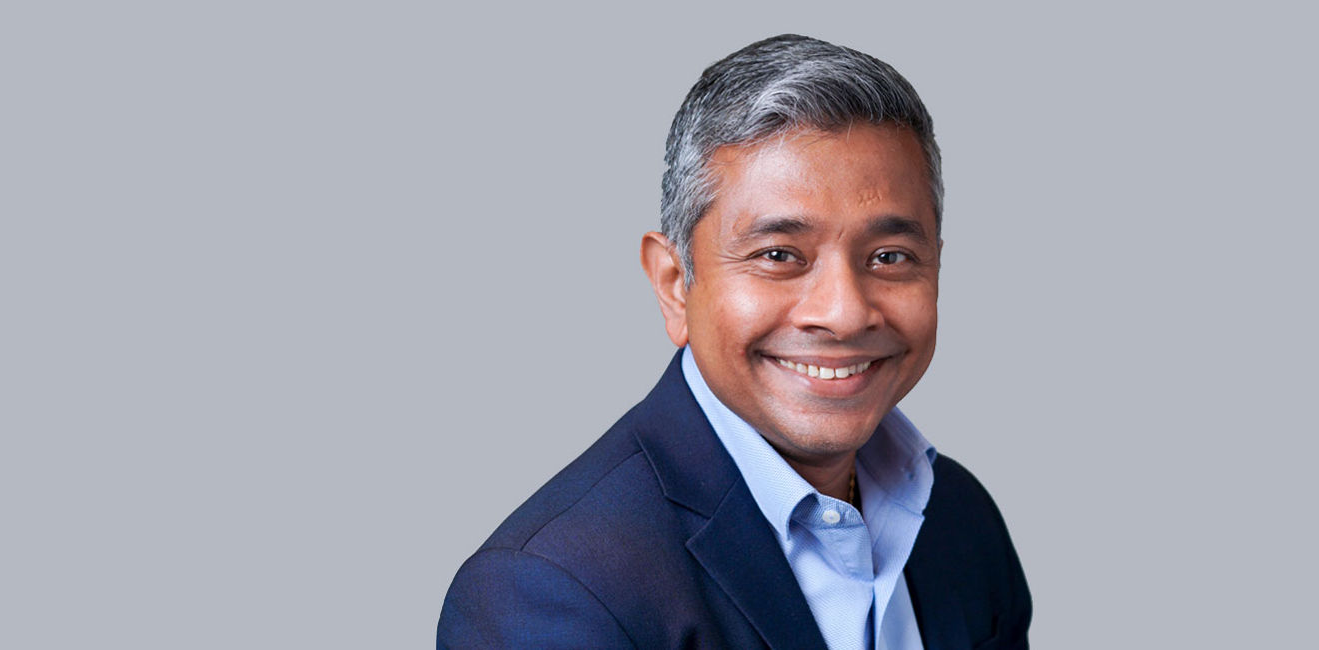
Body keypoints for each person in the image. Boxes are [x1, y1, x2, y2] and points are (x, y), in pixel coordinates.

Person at [438, 34, 1031, 649]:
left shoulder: (960, 519)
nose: (845, 314)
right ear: (675, 285)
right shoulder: (549, 590)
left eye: (889, 256)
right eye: (779, 255)